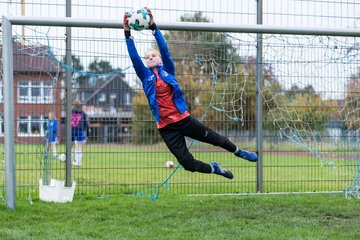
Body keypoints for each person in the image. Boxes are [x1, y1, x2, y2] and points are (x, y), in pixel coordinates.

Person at [123, 8, 258, 179]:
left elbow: (164, 49)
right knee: (187, 163)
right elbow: (134, 57)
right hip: (166, 128)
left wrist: (154, 28)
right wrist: (127, 33)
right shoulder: (145, 76)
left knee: (215, 139)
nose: (149, 58)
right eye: (147, 57)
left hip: (183, 119)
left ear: (160, 60)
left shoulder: (168, 71)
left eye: (153, 55)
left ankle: (239, 152)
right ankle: (214, 169)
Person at [71, 99, 90, 167]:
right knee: (79, 147)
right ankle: (78, 163)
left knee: (71, 146)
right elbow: (86, 124)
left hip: (72, 130)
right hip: (80, 130)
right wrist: (88, 134)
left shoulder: (70, 112)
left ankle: (69, 161)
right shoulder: (83, 113)